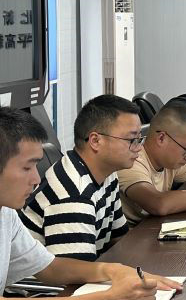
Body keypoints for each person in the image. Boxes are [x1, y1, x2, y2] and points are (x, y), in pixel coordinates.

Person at [0, 107, 182, 300]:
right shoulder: (72, 192)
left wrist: (113, 271)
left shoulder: (5, 213)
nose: (37, 178)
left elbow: (50, 267)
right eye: (27, 167)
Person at [18, 95, 139, 260]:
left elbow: (119, 238)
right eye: (132, 140)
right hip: (55, 277)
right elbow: (75, 271)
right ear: (95, 141)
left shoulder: (108, 174)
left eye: (139, 139)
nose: (138, 147)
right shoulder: (73, 193)